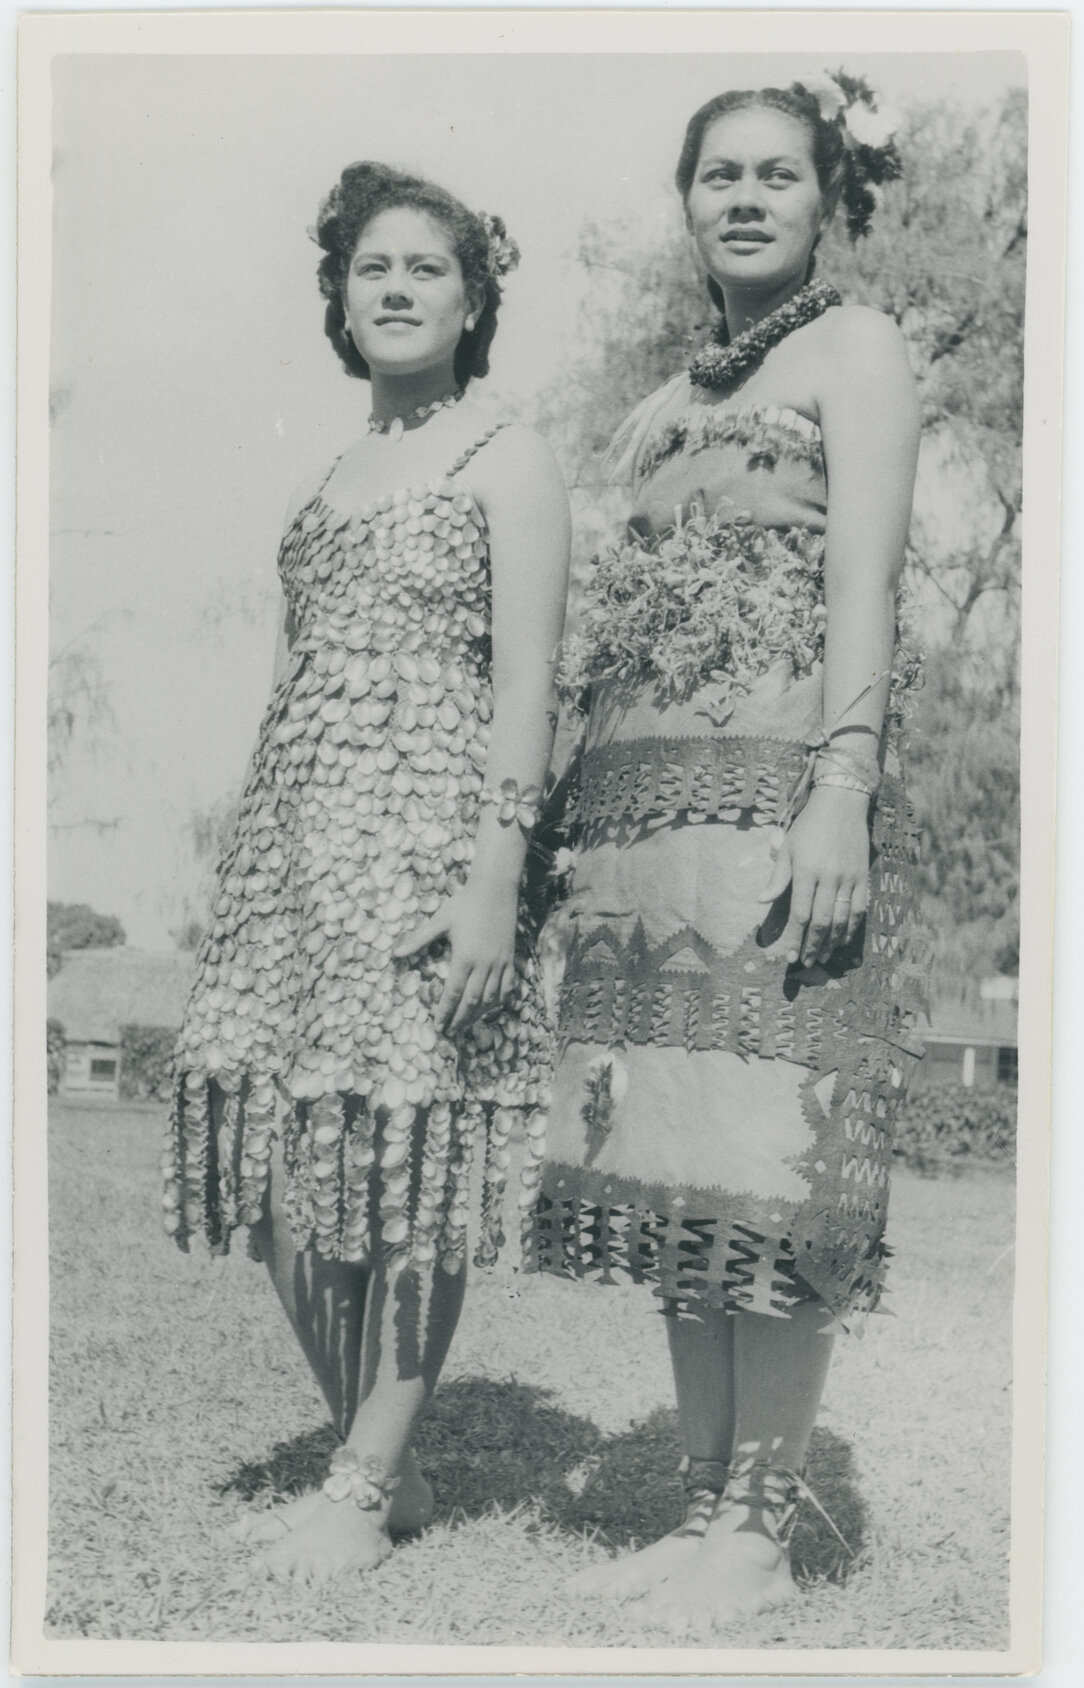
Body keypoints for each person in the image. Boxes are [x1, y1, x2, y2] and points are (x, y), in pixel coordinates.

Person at [527, 77, 925, 1629]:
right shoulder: (671, 395)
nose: (744, 199)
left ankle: (758, 1533)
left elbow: (862, 586)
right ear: (687, 200)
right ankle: (700, 1509)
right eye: (718, 177)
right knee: (677, 1165)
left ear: (829, 197)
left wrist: (842, 788)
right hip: (646, 833)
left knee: (767, 1164)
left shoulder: (859, 348)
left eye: (777, 174)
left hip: (776, 809)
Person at [162, 162, 570, 1584]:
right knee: (282, 1174)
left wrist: (495, 878)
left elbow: (528, 682)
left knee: (411, 1164)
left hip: (431, 856)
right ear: (339, 297)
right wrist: (250, 867)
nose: (395, 289)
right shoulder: (322, 479)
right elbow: (289, 687)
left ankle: (362, 1484)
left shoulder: (507, 457)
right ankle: (380, 1462)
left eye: (426, 268)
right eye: (371, 268)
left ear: (474, 300)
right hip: (292, 869)